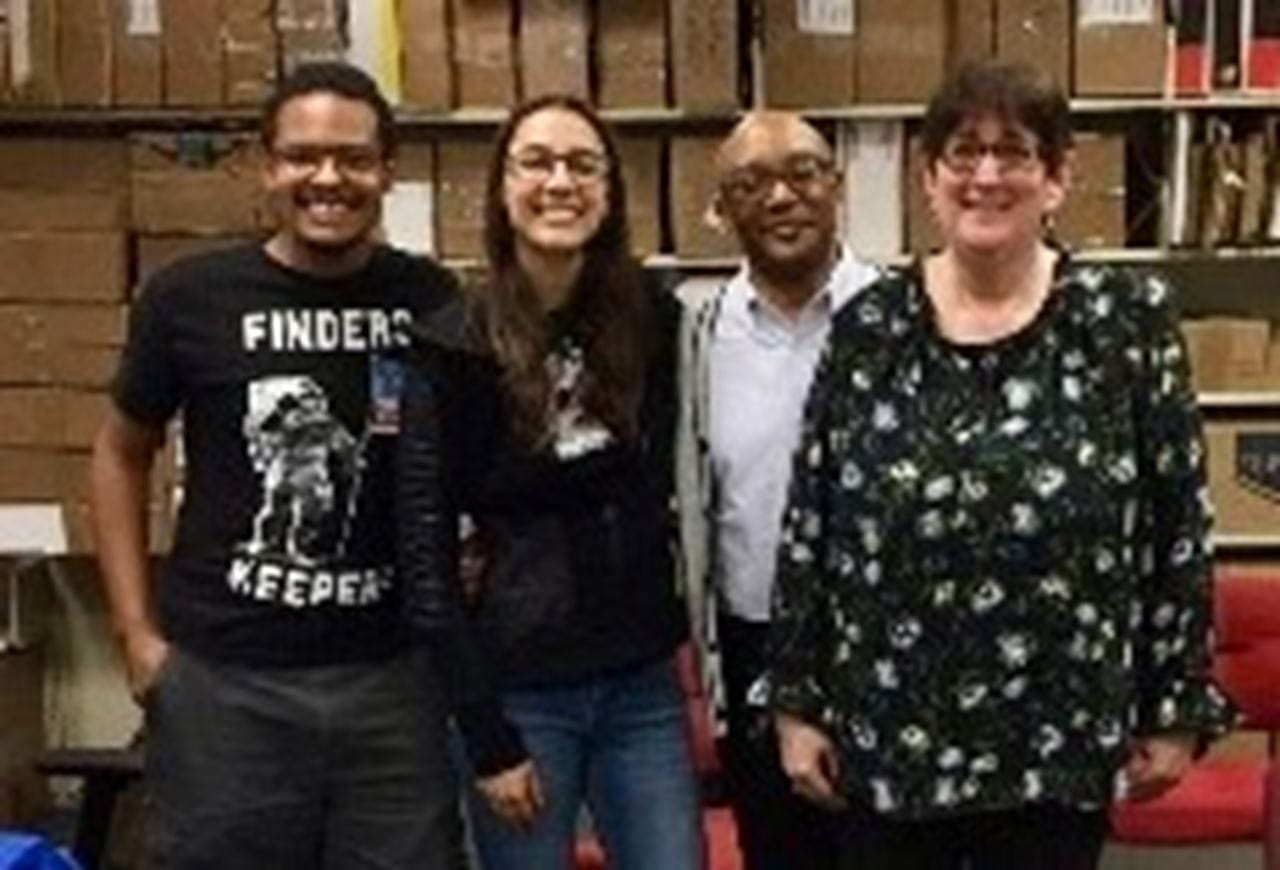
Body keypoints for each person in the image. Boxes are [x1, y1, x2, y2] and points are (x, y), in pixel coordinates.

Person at [764, 60, 1235, 870]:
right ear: (929, 179)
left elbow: (1178, 527)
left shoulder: (1125, 323)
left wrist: (1174, 702)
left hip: (1057, 737)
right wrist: (797, 704)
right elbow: (813, 526)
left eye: (1014, 152)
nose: (986, 175)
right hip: (889, 737)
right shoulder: (868, 329)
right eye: (963, 152)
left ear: (1057, 178)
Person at [90, 62, 466, 869]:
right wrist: (134, 636)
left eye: (354, 158)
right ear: (267, 166)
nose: (327, 178)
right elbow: (121, 455)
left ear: (386, 172)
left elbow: (469, 459)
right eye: (302, 155)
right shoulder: (189, 298)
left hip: (391, 684)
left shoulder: (433, 300)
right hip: (226, 683)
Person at [396, 93, 703, 869]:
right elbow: (425, 563)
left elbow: (659, 486)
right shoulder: (451, 346)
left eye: (583, 164)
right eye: (536, 162)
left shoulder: (654, 322)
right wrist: (486, 736)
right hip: (520, 696)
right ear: (502, 188)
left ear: (609, 190)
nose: (560, 182)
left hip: (641, 684)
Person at [674, 111, 879, 869]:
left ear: (838, 186)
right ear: (723, 208)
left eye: (802, 173)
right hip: (752, 641)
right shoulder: (694, 336)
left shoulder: (906, 318)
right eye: (750, 183)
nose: (781, 197)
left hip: (888, 648)